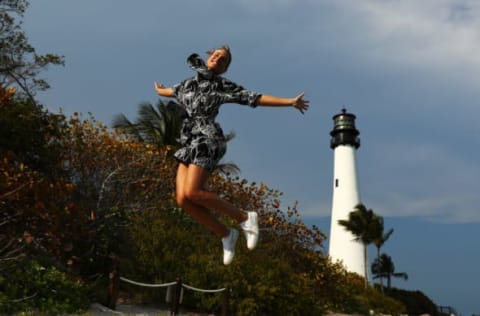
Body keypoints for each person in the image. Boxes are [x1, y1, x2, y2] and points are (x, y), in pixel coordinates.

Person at [154, 45, 309, 265]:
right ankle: (226, 234)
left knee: (194, 192)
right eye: (216, 55)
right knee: (182, 199)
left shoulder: (222, 85)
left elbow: (255, 98)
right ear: (209, 58)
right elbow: (170, 91)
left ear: (225, 68)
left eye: (224, 60)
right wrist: (160, 91)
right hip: (187, 141)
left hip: (206, 139)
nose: (218, 59)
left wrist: (289, 102)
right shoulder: (186, 84)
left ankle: (245, 217)